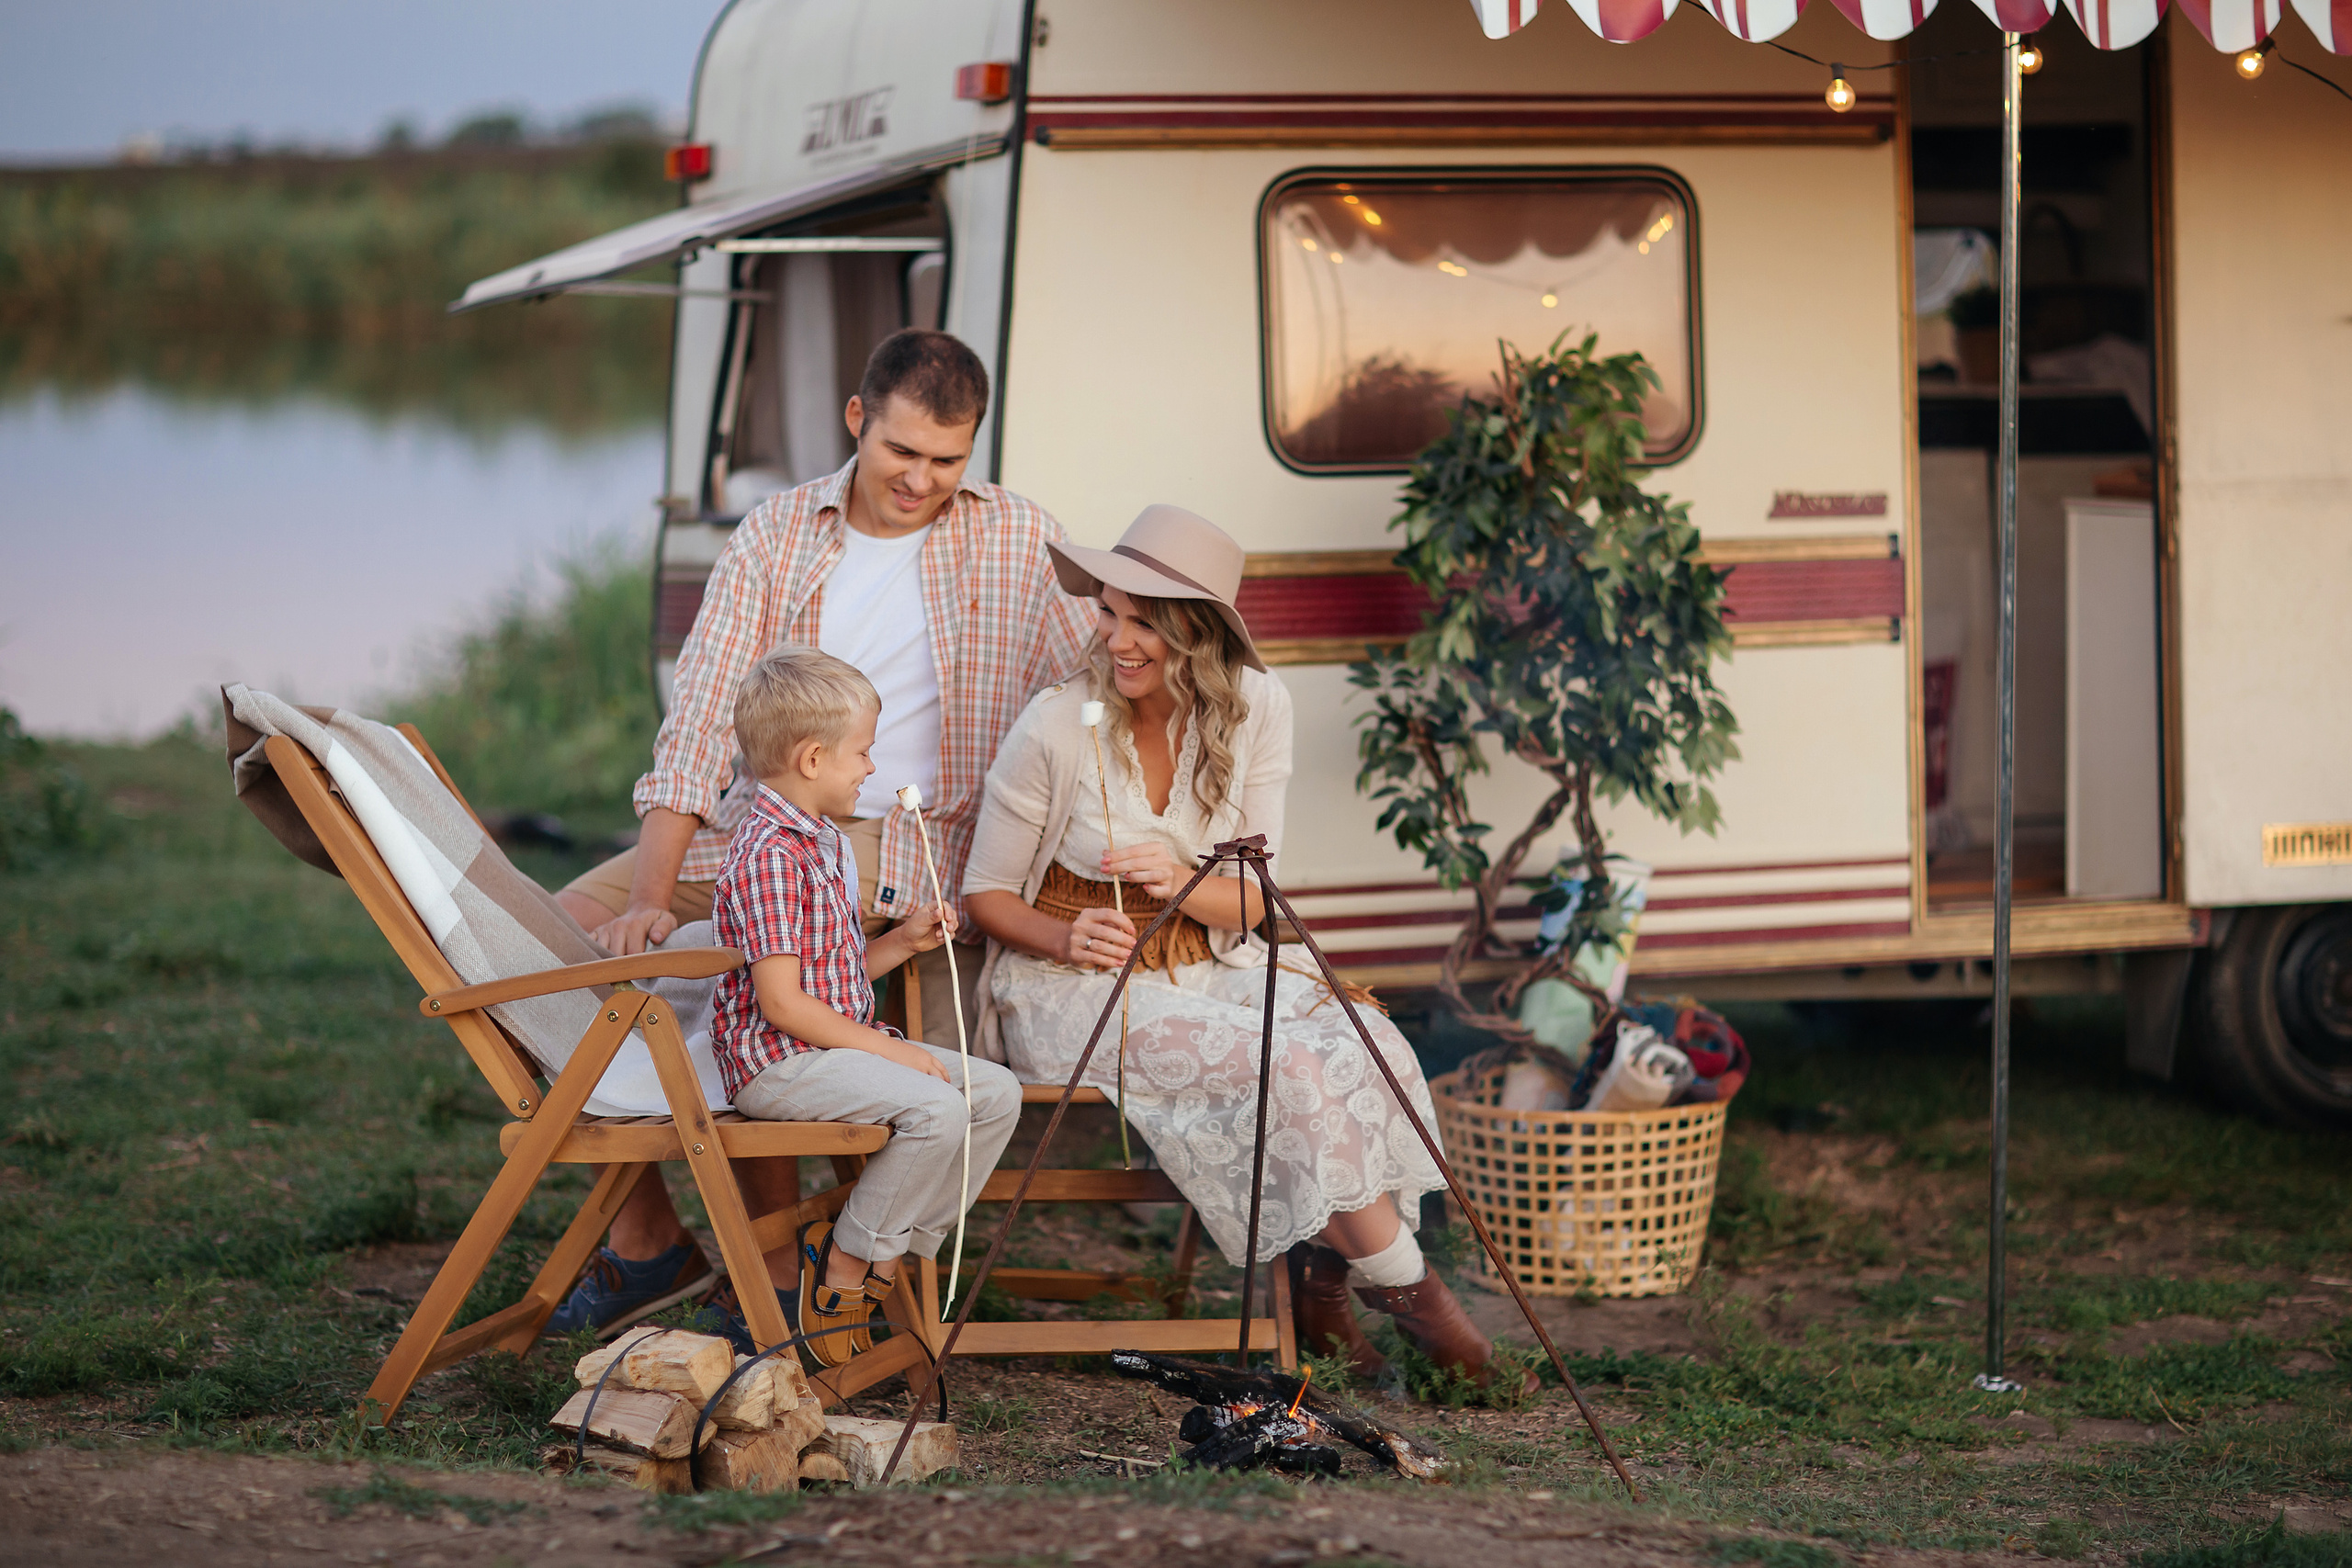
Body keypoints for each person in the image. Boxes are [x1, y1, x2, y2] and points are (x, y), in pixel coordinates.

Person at [546, 329, 1092, 1337]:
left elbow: (1098, 678)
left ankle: (772, 1279)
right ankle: (648, 1239)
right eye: (902, 454)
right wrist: (652, 897)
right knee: (544, 943)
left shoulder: (1017, 536)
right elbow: (704, 720)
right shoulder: (776, 533)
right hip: (763, 818)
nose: (923, 480)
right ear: (857, 420)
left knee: (759, 957)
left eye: (947, 459)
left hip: (901, 836)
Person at [962, 505, 1516, 1390]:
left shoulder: (1258, 708)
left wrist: (1180, 881)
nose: (1117, 640)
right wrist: (1063, 929)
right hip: (1074, 987)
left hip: (1213, 957)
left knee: (1366, 1042)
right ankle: (1424, 1305)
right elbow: (984, 895)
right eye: (1108, 612)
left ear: (1201, 634)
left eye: (1146, 622)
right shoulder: (1056, 727)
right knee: (1289, 1066)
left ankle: (1324, 1297)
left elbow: (1255, 900)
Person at [700, 644, 1021, 1359]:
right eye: (862, 752)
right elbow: (782, 1004)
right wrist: (892, 1048)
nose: (871, 767)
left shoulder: (824, 845)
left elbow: (830, 977)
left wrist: (902, 942)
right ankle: (846, 1265)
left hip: (827, 1045)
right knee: (935, 1107)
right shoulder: (770, 855)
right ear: (813, 759)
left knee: (995, 1093)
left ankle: (887, 1245)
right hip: (780, 1064)